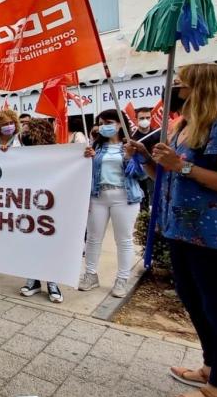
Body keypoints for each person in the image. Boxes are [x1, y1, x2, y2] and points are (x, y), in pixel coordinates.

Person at [130, 64, 217, 397]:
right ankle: (210, 366)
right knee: (194, 301)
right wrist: (147, 158)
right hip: (182, 231)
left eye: (183, 84)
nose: (177, 89)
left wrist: (182, 165)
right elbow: (167, 175)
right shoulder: (185, 127)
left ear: (203, 87)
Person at [79, 109, 145, 298]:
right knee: (93, 238)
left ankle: (122, 279)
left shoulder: (131, 147)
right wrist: (87, 160)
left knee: (123, 240)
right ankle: (90, 275)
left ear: (119, 124)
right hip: (98, 197)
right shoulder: (96, 148)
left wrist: (129, 157)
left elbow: (141, 174)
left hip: (125, 198)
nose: (103, 126)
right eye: (100, 123)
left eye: (108, 122)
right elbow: (85, 173)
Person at [17, 119, 65, 303]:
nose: (24, 133)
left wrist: (84, 156)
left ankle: (52, 281)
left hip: (50, 206)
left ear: (40, 132)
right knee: (30, 242)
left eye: (28, 130)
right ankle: (33, 280)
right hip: (27, 205)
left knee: (49, 242)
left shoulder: (59, 153)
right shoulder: (20, 153)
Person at [133, 106, 159, 210]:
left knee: (154, 199)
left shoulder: (158, 134)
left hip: (154, 169)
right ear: (136, 120)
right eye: (142, 118)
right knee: (142, 201)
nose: (145, 120)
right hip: (138, 172)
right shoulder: (132, 136)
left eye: (148, 118)